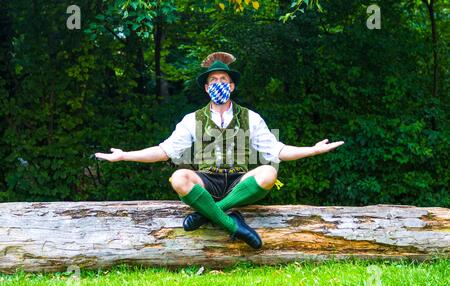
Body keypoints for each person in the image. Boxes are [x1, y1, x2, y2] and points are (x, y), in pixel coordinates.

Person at [95, 52, 344, 249]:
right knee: (178, 177)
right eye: (212, 81)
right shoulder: (192, 119)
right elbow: (164, 151)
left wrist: (311, 150)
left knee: (269, 172)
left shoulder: (251, 118)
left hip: (238, 181)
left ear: (232, 86)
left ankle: (208, 214)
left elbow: (277, 150)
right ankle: (233, 224)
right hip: (207, 180)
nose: (218, 84)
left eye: (223, 80)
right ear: (206, 88)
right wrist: (125, 155)